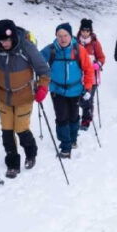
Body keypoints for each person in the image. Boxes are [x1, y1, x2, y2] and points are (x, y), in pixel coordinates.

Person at [0, 19, 51, 178]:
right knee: (7, 131)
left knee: (21, 128)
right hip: (3, 95)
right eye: (1, 40)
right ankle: (12, 163)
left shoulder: (26, 48)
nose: (4, 44)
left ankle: (31, 153)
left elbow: (44, 70)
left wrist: (43, 87)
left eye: (7, 40)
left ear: (13, 37)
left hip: (24, 95)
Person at [40, 23, 96, 158]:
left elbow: (88, 69)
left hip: (75, 90)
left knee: (74, 116)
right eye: (59, 36)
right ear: (56, 36)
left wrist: (88, 88)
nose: (63, 39)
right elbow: (37, 62)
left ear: (71, 36)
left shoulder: (79, 50)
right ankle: (65, 146)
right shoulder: (51, 50)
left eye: (65, 35)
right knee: (61, 118)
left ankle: (73, 139)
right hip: (57, 90)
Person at [76, 18, 105, 131]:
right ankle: (78, 117)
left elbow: (102, 57)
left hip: (92, 77)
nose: (85, 33)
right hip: (78, 76)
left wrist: (98, 64)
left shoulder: (94, 43)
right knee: (79, 99)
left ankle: (86, 120)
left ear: (90, 31)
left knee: (88, 99)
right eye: (83, 30)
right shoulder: (75, 42)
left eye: (87, 31)